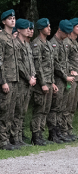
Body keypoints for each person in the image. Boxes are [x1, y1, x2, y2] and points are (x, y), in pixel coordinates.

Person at [0, 10, 21, 150]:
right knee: (3, 110)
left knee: (11, 110)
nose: (13, 20)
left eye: (14, 18)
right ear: (4, 22)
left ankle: (7, 138)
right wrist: (3, 81)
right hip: (6, 80)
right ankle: (1, 140)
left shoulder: (13, 39)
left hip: (14, 79)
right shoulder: (0, 39)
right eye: (10, 18)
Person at [30, 17, 56, 146]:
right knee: (39, 109)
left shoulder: (48, 44)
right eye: (47, 26)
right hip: (42, 83)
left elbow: (50, 65)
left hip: (49, 81)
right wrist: (43, 83)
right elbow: (38, 65)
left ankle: (41, 132)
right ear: (41, 28)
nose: (49, 28)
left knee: (46, 110)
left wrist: (52, 82)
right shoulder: (37, 44)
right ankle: (36, 135)